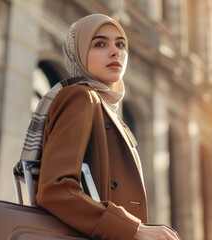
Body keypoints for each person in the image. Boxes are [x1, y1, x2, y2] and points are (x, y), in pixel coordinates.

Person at [34, 14, 180, 240]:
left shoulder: (104, 106)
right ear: (80, 51)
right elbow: (55, 189)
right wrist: (134, 229)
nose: (115, 52)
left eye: (121, 44)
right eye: (100, 44)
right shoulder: (81, 96)